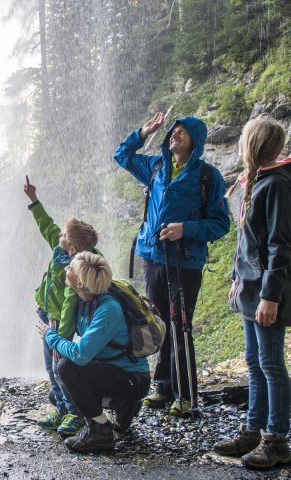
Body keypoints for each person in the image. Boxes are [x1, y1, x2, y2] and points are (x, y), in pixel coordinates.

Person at [114, 112, 230, 416]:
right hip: (152, 256)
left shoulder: (207, 176)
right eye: (173, 130)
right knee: (160, 322)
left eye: (183, 131)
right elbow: (121, 155)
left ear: (196, 141)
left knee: (181, 325)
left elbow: (220, 224)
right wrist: (143, 131)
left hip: (185, 261)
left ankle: (187, 395)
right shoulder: (156, 166)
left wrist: (186, 229)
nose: (174, 134)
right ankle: (164, 387)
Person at [213, 117, 291, 469]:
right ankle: (253, 430)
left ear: (253, 144)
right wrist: (238, 282)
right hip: (251, 287)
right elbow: (247, 244)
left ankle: (277, 441)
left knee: (271, 364)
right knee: (254, 361)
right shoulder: (256, 179)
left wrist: (270, 297)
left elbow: (279, 247)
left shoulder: (277, 185)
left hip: (268, 290)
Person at [37, 252, 151, 453]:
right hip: (111, 372)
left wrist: (50, 336)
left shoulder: (108, 309)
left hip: (132, 379)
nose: (66, 269)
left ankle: (101, 431)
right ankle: (124, 406)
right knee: (58, 396)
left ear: (80, 283)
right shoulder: (85, 299)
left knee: (67, 367)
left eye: (70, 268)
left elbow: (81, 354)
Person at [24, 175, 100, 438]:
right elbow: (47, 225)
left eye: (65, 235)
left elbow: (69, 305)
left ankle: (73, 413)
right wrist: (34, 200)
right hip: (47, 314)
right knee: (49, 367)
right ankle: (60, 407)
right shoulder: (60, 250)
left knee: (57, 365)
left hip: (57, 322)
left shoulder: (76, 268)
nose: (60, 235)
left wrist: (62, 339)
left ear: (75, 246)